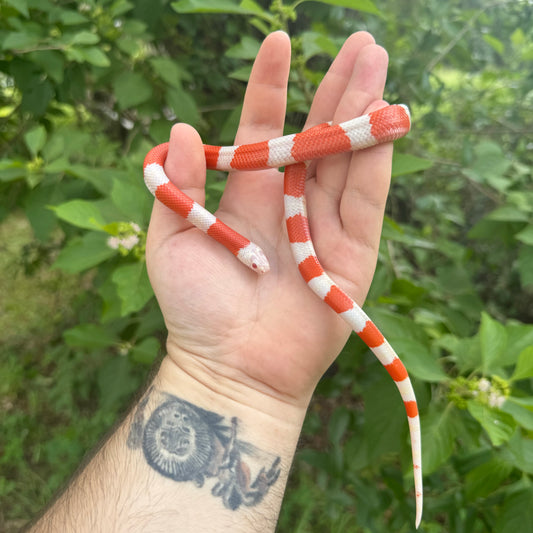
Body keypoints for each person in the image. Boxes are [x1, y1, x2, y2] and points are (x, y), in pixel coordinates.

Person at [28, 30, 396, 532]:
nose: (256, 260)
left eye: (250, 256)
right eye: (251, 257)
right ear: (240, 250)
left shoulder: (254, 215)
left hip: (304, 170)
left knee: (348, 141)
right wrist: (224, 379)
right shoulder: (219, 230)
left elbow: (384, 128)